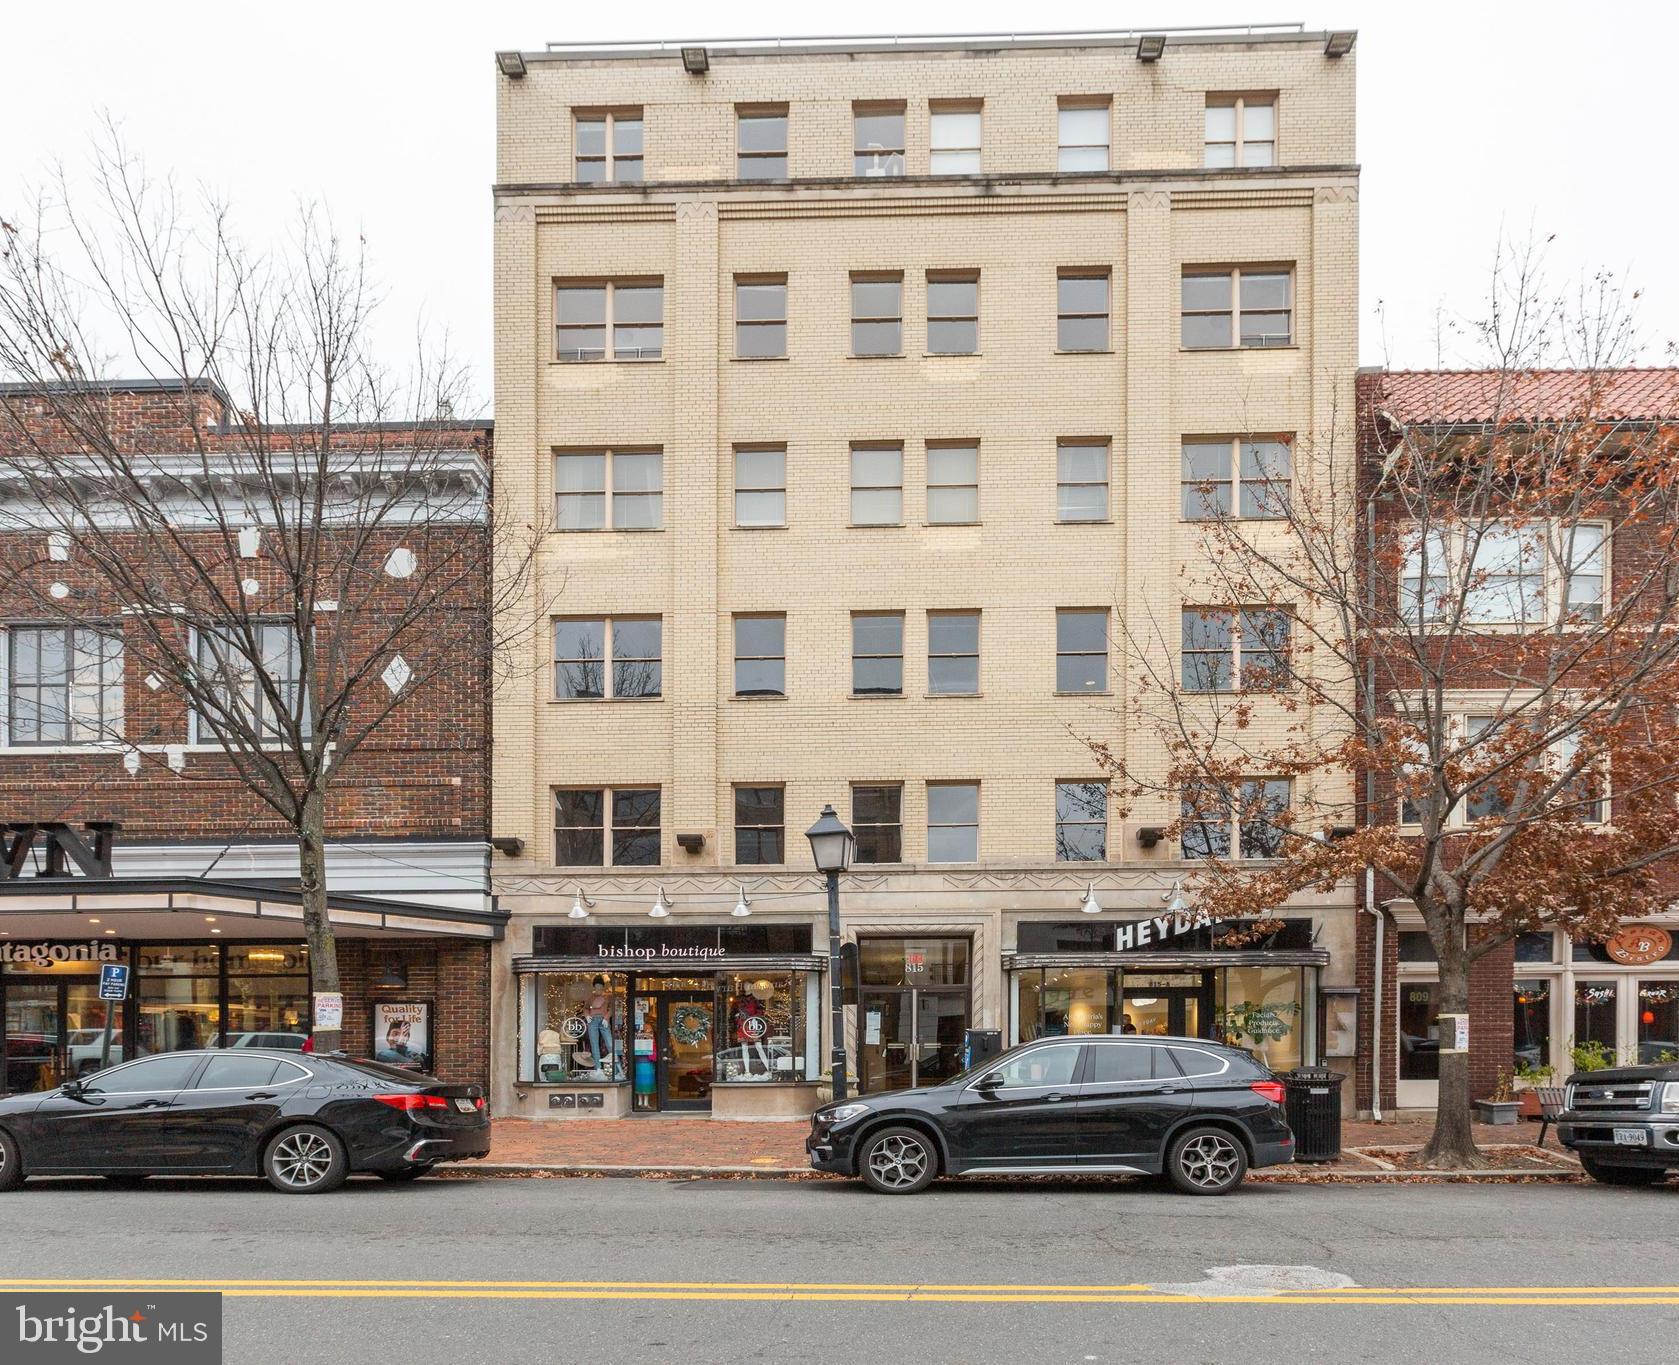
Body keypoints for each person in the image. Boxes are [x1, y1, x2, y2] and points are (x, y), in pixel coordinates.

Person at [585, 976, 615, 1076]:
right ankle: (598, 1069)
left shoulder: (607, 996)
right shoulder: (590, 997)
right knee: (594, 1045)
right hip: (592, 1021)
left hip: (603, 1020)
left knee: (610, 1044)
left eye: (600, 986)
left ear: (602, 986)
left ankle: (615, 1068)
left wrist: (606, 1018)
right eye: (597, 986)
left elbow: (612, 1008)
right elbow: (586, 1008)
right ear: (594, 986)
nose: (598, 988)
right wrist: (587, 1016)